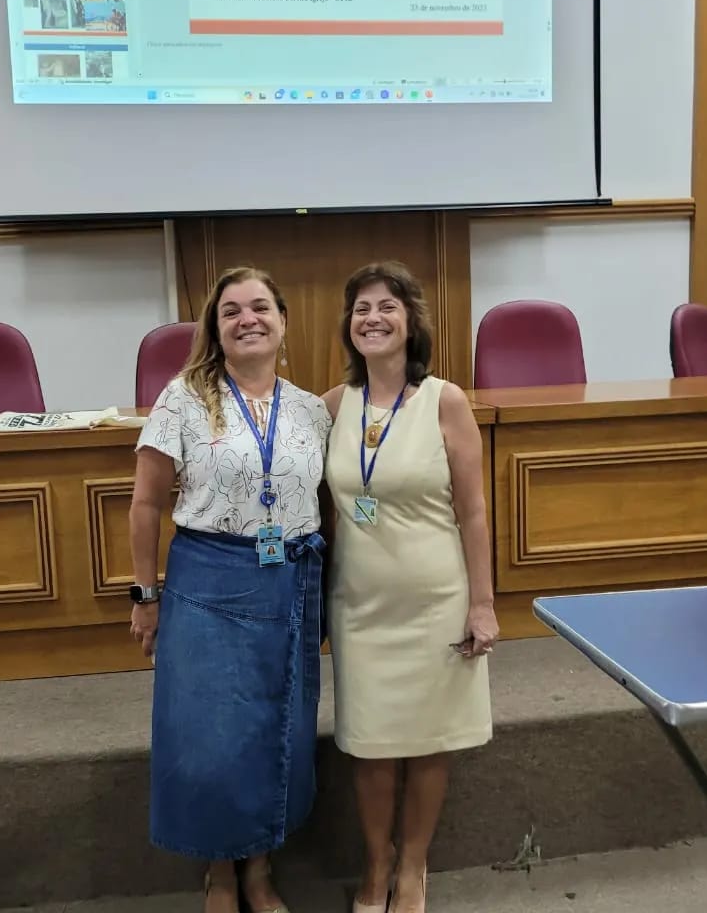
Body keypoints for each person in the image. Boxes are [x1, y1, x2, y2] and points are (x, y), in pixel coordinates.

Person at [129, 267, 331, 913]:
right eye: (232, 310)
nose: (248, 319)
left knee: (275, 729)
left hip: (289, 584)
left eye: (261, 307)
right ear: (215, 329)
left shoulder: (310, 410)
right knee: (211, 736)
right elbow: (145, 504)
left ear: (283, 320)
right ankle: (220, 870)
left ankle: (260, 869)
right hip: (209, 582)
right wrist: (144, 596)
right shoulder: (182, 399)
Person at [323, 260, 498, 913]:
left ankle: (415, 866)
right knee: (369, 745)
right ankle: (377, 864)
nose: (373, 318)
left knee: (429, 742)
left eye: (387, 306)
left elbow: (473, 511)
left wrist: (482, 604)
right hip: (361, 607)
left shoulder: (444, 401)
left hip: (435, 603)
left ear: (410, 321)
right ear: (349, 324)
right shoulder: (332, 406)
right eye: (361, 307)